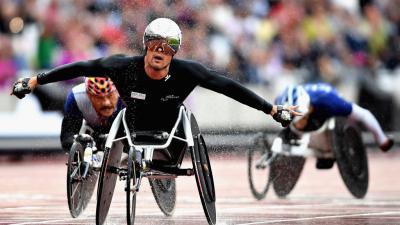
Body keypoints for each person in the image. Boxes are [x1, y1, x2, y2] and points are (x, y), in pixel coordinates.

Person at [11, 18, 299, 150]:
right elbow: (83, 67)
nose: (161, 49)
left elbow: (228, 87)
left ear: (175, 51)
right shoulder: (123, 66)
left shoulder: (189, 72)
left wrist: (271, 109)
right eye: (156, 43)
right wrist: (35, 81)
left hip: (170, 131)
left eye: (169, 45)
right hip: (130, 126)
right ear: (147, 45)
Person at [274, 83, 394, 152]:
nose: (299, 125)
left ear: (309, 109)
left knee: (347, 118)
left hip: (326, 99)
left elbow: (364, 114)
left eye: (301, 119)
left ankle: (329, 144)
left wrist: (382, 140)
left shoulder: (329, 102)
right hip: (305, 97)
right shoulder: (282, 101)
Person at [61, 77, 125, 168]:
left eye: (110, 95)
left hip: (120, 130)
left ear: (116, 92)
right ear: (88, 95)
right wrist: (77, 143)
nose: (106, 103)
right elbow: (67, 136)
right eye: (99, 97)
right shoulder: (76, 97)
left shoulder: (125, 95)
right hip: (92, 130)